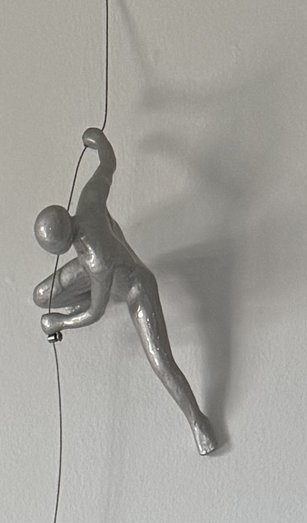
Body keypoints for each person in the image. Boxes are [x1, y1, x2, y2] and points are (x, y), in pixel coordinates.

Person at [33, 130, 219, 455]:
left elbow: (95, 312)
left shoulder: (97, 260)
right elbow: (109, 161)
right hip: (99, 271)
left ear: (62, 246)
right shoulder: (88, 201)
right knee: (42, 294)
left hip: (135, 287)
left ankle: (197, 422)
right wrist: (96, 140)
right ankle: (58, 302)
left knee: (160, 359)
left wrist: (59, 322)